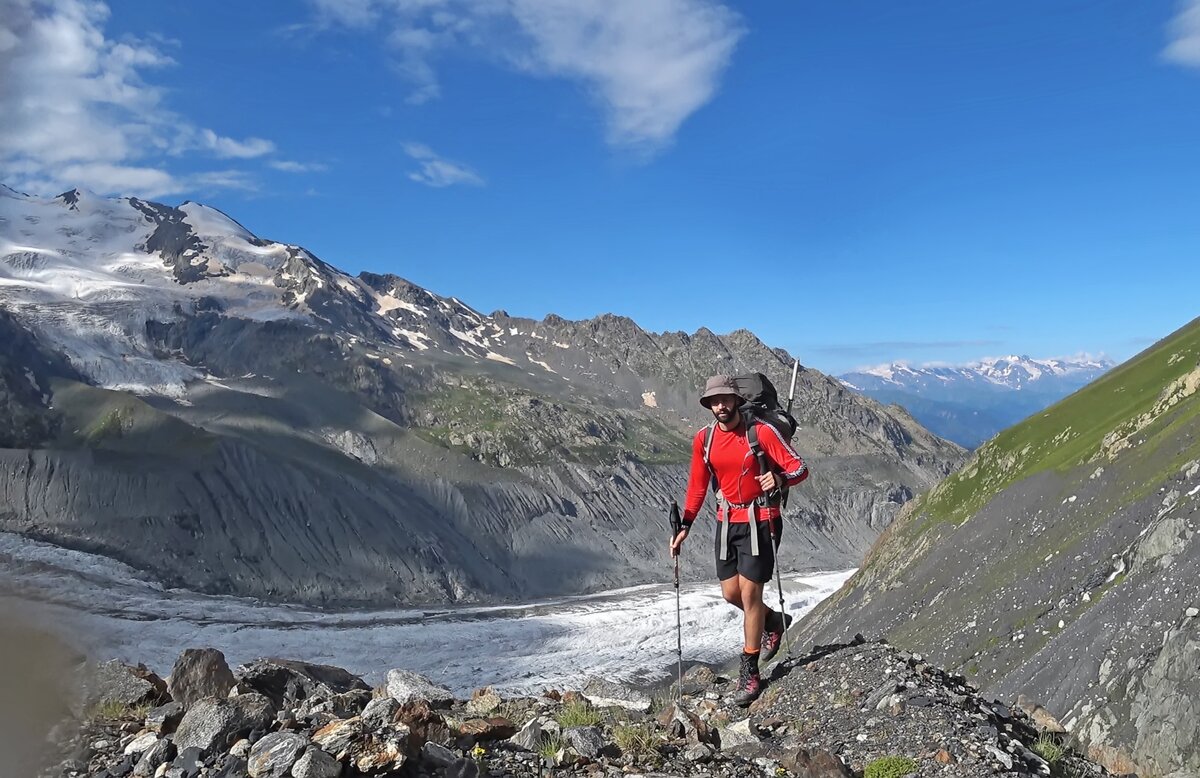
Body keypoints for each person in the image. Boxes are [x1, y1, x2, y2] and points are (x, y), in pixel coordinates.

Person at [670, 374, 809, 706]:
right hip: (727, 520)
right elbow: (697, 485)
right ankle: (774, 620)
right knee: (731, 593)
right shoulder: (704, 440)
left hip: (760, 519)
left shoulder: (760, 432)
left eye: (725, 399)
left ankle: (750, 672)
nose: (720, 406)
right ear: (709, 405)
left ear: (736, 400)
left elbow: (800, 469)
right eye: (713, 401)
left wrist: (777, 478)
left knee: (749, 595)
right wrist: (685, 525)